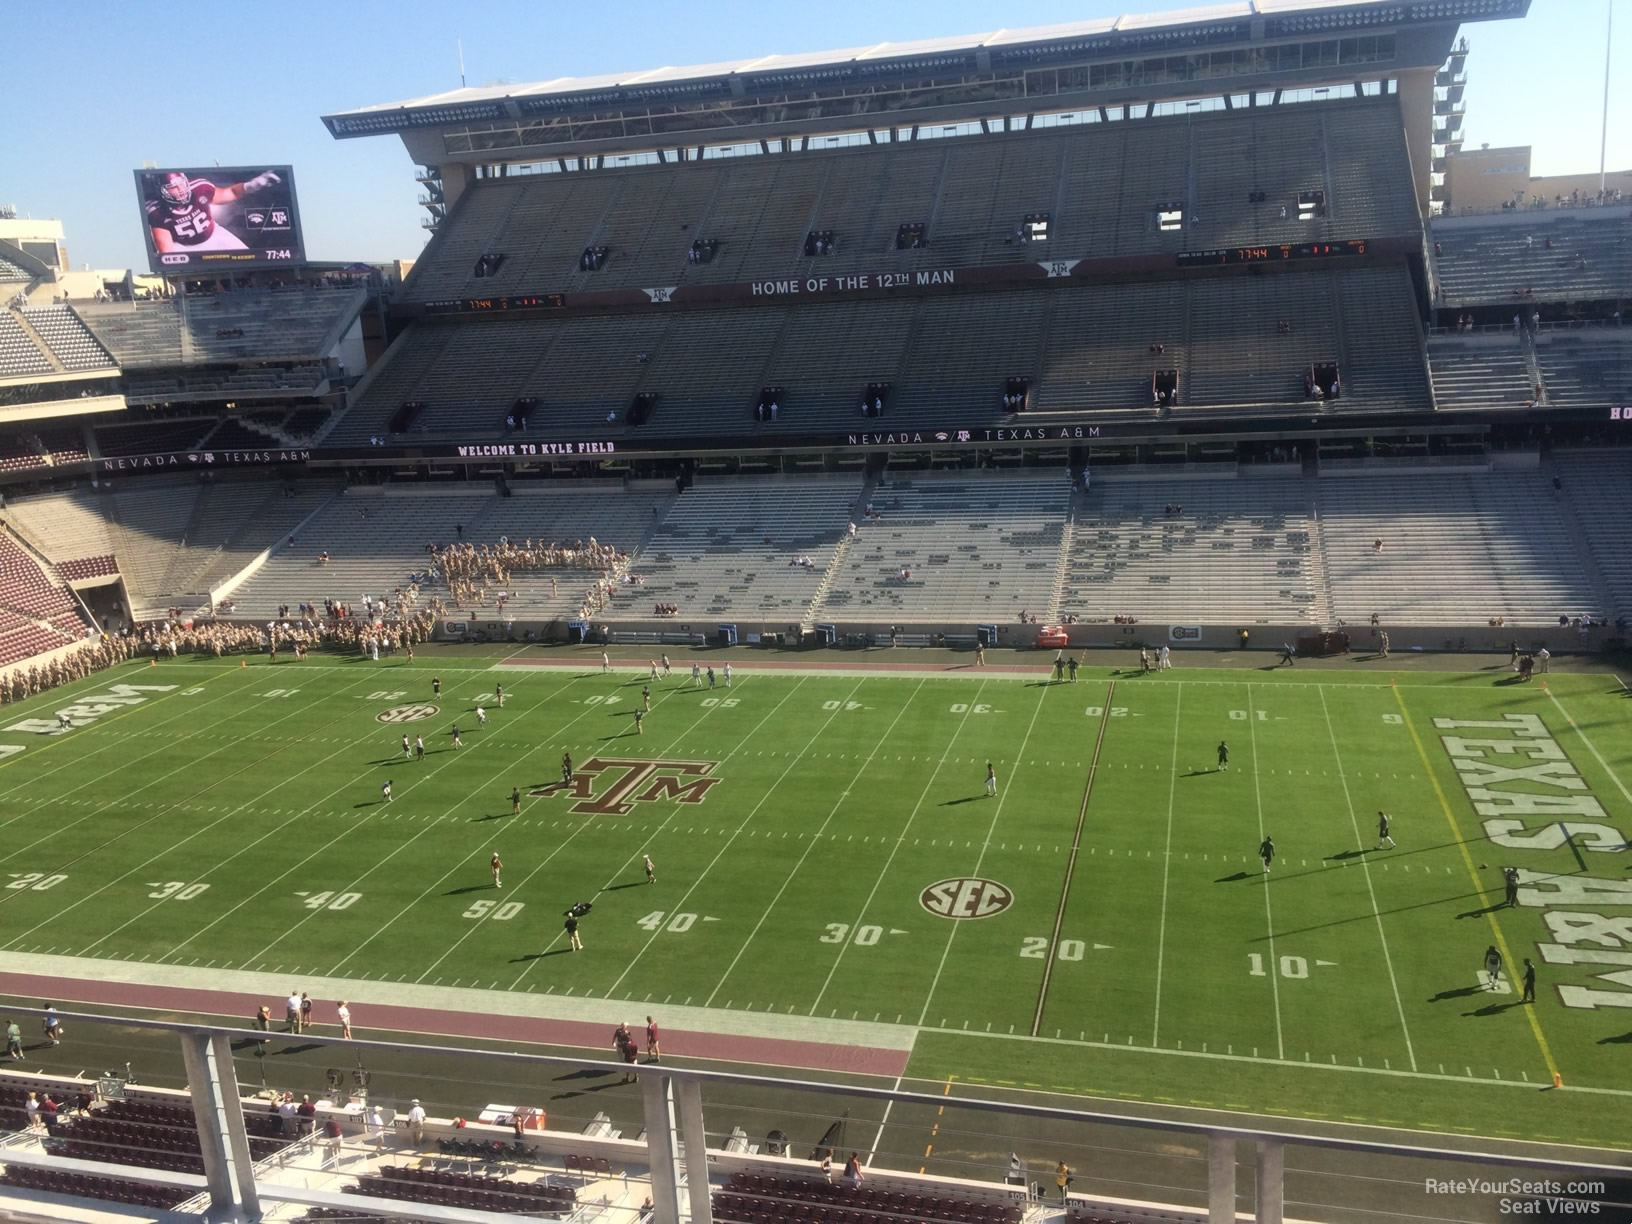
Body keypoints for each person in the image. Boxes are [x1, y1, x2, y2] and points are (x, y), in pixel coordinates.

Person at [143, 168, 282, 255]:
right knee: (172, 263)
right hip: (184, 246)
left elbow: (230, 193)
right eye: (173, 187)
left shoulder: (200, 188)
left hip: (214, 235)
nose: (180, 190)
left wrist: (254, 185)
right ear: (162, 191)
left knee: (249, 258)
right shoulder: (157, 211)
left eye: (181, 184)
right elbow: (166, 251)